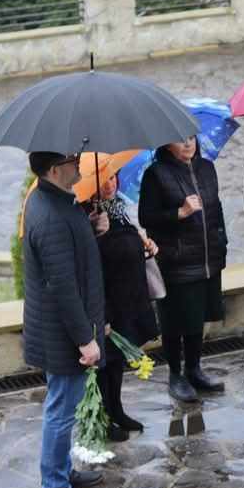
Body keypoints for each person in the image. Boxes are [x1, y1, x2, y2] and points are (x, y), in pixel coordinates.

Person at [23, 151, 106, 488]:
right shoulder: (50, 215)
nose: (79, 163)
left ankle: (62, 469)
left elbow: (69, 255)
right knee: (61, 409)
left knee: (64, 406)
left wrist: (91, 225)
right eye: (73, 159)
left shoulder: (54, 200)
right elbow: (62, 286)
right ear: (56, 169)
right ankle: (54, 487)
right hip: (62, 334)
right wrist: (85, 339)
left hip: (60, 330)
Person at [139, 135, 228, 403]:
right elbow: (146, 217)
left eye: (191, 137)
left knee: (196, 316)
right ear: (167, 143)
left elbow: (216, 209)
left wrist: (221, 242)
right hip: (176, 260)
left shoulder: (207, 168)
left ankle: (194, 369)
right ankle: (175, 375)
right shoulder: (156, 174)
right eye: (180, 139)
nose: (188, 144)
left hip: (207, 257)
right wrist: (180, 213)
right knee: (175, 320)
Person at [83, 170, 160, 440]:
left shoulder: (118, 208)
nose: (109, 184)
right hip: (108, 302)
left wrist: (145, 245)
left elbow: (127, 241)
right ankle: (103, 417)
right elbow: (89, 263)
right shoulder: (89, 215)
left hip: (128, 299)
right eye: (102, 180)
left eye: (113, 177)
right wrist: (94, 231)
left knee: (117, 361)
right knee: (105, 364)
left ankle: (116, 409)